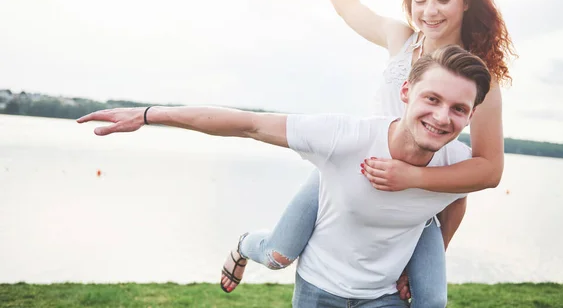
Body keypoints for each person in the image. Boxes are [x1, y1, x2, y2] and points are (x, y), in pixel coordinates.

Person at [219, 0, 516, 306]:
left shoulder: (481, 79)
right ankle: (243, 244)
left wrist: (410, 177)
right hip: (353, 172)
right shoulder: (400, 39)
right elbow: (348, 4)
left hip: (419, 197)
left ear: (465, 3)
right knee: (278, 253)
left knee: (430, 301)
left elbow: (488, 167)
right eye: (420, 0)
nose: (430, 11)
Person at [78, 45, 491, 307]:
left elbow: (458, 197)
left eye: (458, 109)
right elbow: (247, 124)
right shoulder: (346, 137)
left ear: (471, 115)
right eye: (431, 99)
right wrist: (149, 115)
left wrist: (419, 270)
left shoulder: (460, 163)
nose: (442, 117)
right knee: (276, 255)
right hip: (318, 289)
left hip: (382, 298)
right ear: (406, 93)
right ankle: (244, 244)